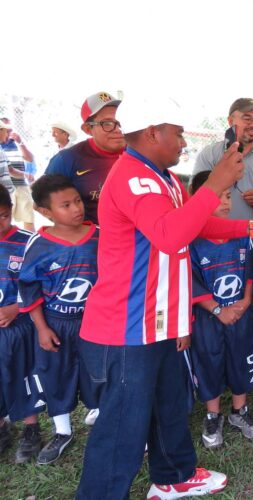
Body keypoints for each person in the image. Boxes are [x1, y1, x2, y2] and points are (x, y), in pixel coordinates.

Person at [74, 98, 253, 499]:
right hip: (130, 323)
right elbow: (170, 235)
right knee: (122, 422)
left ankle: (174, 476)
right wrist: (217, 183)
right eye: (178, 132)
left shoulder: (162, 177)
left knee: (170, 403)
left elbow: (196, 222)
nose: (184, 141)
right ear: (152, 132)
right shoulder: (135, 179)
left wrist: (251, 225)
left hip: (160, 318)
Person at [18, 174, 100, 464]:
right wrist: (41, 328)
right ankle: (62, 431)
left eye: (77, 200)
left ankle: (100, 419)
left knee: (99, 373)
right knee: (57, 375)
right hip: (55, 324)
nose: (76, 208)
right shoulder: (38, 245)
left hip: (95, 323)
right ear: (44, 212)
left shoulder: (99, 235)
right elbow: (29, 288)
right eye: (66, 205)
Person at [188, 171, 253, 450]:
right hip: (209, 317)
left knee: (240, 357)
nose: (226, 201)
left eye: (228, 195)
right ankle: (213, 414)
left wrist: (244, 301)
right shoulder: (190, 240)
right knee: (209, 361)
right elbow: (190, 281)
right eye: (218, 195)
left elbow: (248, 270)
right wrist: (218, 309)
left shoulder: (240, 234)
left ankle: (239, 411)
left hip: (240, 314)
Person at [0, 185, 44, 463]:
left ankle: (31, 429)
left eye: (3, 216)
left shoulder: (29, 242)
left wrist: (17, 307)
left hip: (21, 326)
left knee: (23, 375)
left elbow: (42, 284)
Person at [193, 98, 253, 220]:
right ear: (230, 121)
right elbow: (196, 195)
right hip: (219, 236)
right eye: (247, 119)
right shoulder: (210, 154)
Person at [45, 91, 126, 224]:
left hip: (137, 240)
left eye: (121, 122)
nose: (118, 129)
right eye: (107, 123)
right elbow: (41, 201)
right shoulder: (67, 159)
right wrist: (76, 232)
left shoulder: (140, 154)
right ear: (88, 129)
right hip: (93, 241)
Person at [0, 119, 33, 230]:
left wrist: (26, 175)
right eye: (6, 131)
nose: (8, 134)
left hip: (9, 192)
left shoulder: (2, 150)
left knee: (9, 223)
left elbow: (11, 170)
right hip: (3, 194)